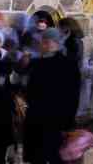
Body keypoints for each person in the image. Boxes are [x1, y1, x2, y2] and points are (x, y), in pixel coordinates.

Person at [22, 29, 80, 164]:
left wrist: (68, 121)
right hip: (36, 118)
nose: (43, 45)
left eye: (47, 42)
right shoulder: (35, 63)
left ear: (56, 43)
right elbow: (27, 88)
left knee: (55, 156)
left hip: (56, 119)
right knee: (37, 157)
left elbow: (72, 95)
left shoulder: (68, 65)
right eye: (42, 41)